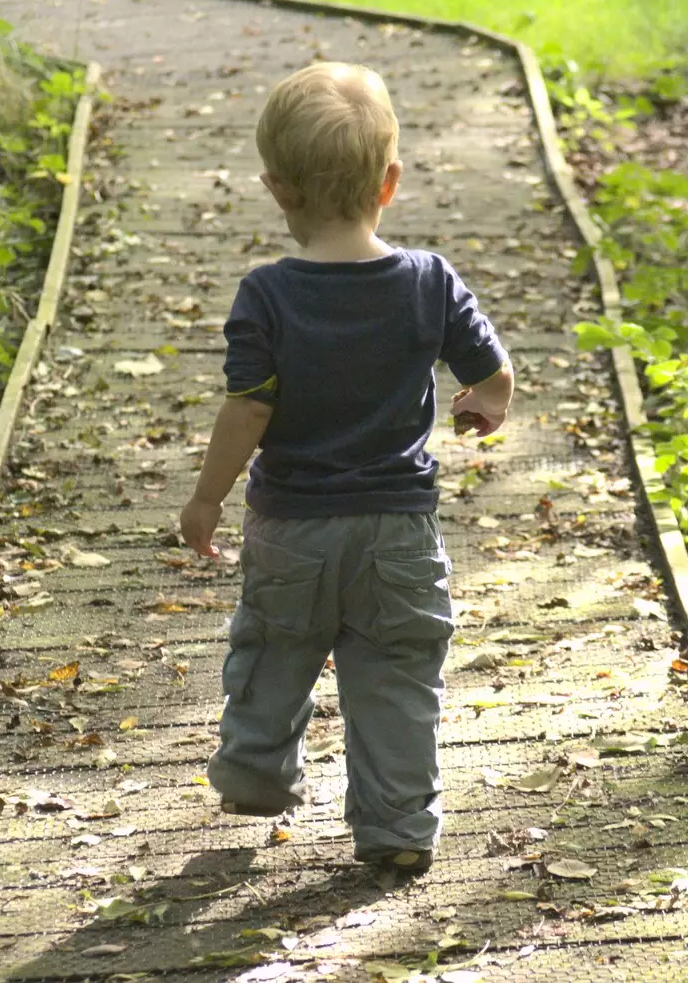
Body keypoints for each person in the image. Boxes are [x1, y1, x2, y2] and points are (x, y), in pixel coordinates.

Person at [177, 61, 513, 874]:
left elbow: (249, 410)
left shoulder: (266, 296)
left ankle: (257, 768)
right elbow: (495, 375)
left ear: (279, 189)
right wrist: (481, 405)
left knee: (273, 646)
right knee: (397, 677)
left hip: (291, 527)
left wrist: (206, 499)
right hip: (398, 531)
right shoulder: (430, 283)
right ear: (390, 182)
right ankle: (398, 824)